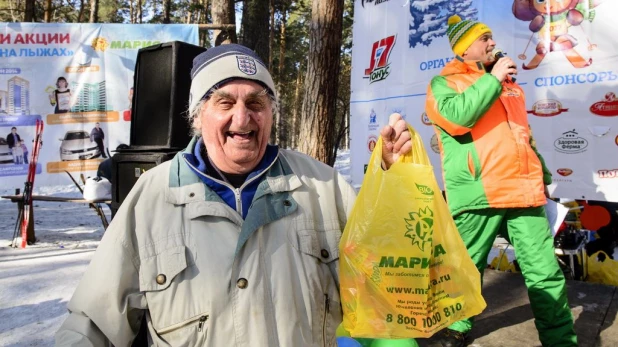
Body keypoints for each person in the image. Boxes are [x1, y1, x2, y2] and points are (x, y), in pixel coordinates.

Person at [55, 43, 413, 346]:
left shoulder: (324, 188)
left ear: (271, 114)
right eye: (225, 103)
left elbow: (383, 297)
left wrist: (394, 188)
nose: (243, 119)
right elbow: (93, 325)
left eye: (256, 103)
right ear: (198, 116)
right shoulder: (152, 196)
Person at [423, 15, 577, 347]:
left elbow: (524, 137)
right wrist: (492, 79)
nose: (492, 43)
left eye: (492, 38)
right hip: (480, 192)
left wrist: (544, 176)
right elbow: (458, 118)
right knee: (465, 270)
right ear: (465, 50)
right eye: (484, 39)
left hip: (524, 190)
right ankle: (456, 329)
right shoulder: (444, 83)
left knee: (545, 275)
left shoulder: (511, 87)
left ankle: (561, 341)